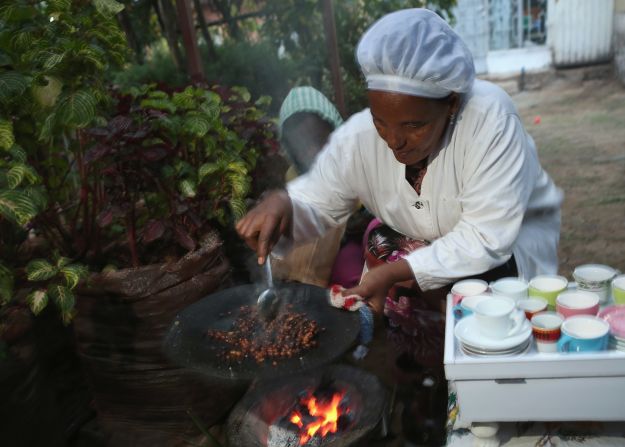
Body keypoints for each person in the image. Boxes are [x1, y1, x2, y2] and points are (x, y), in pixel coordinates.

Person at [237, 8, 562, 443]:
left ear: (450, 102)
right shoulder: (360, 137)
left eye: (414, 124)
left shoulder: (488, 119)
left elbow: (487, 236)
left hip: (507, 246)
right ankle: (426, 378)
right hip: (430, 239)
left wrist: (392, 274)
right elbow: (317, 199)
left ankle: (481, 395)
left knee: (484, 331)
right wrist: (282, 203)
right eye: (381, 121)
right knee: (388, 252)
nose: (394, 140)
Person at [271, 86, 367, 288]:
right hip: (307, 253)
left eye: (317, 139)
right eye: (302, 144)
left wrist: (349, 227)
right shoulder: (293, 175)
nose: (312, 150)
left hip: (348, 244)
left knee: (348, 274)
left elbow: (367, 212)